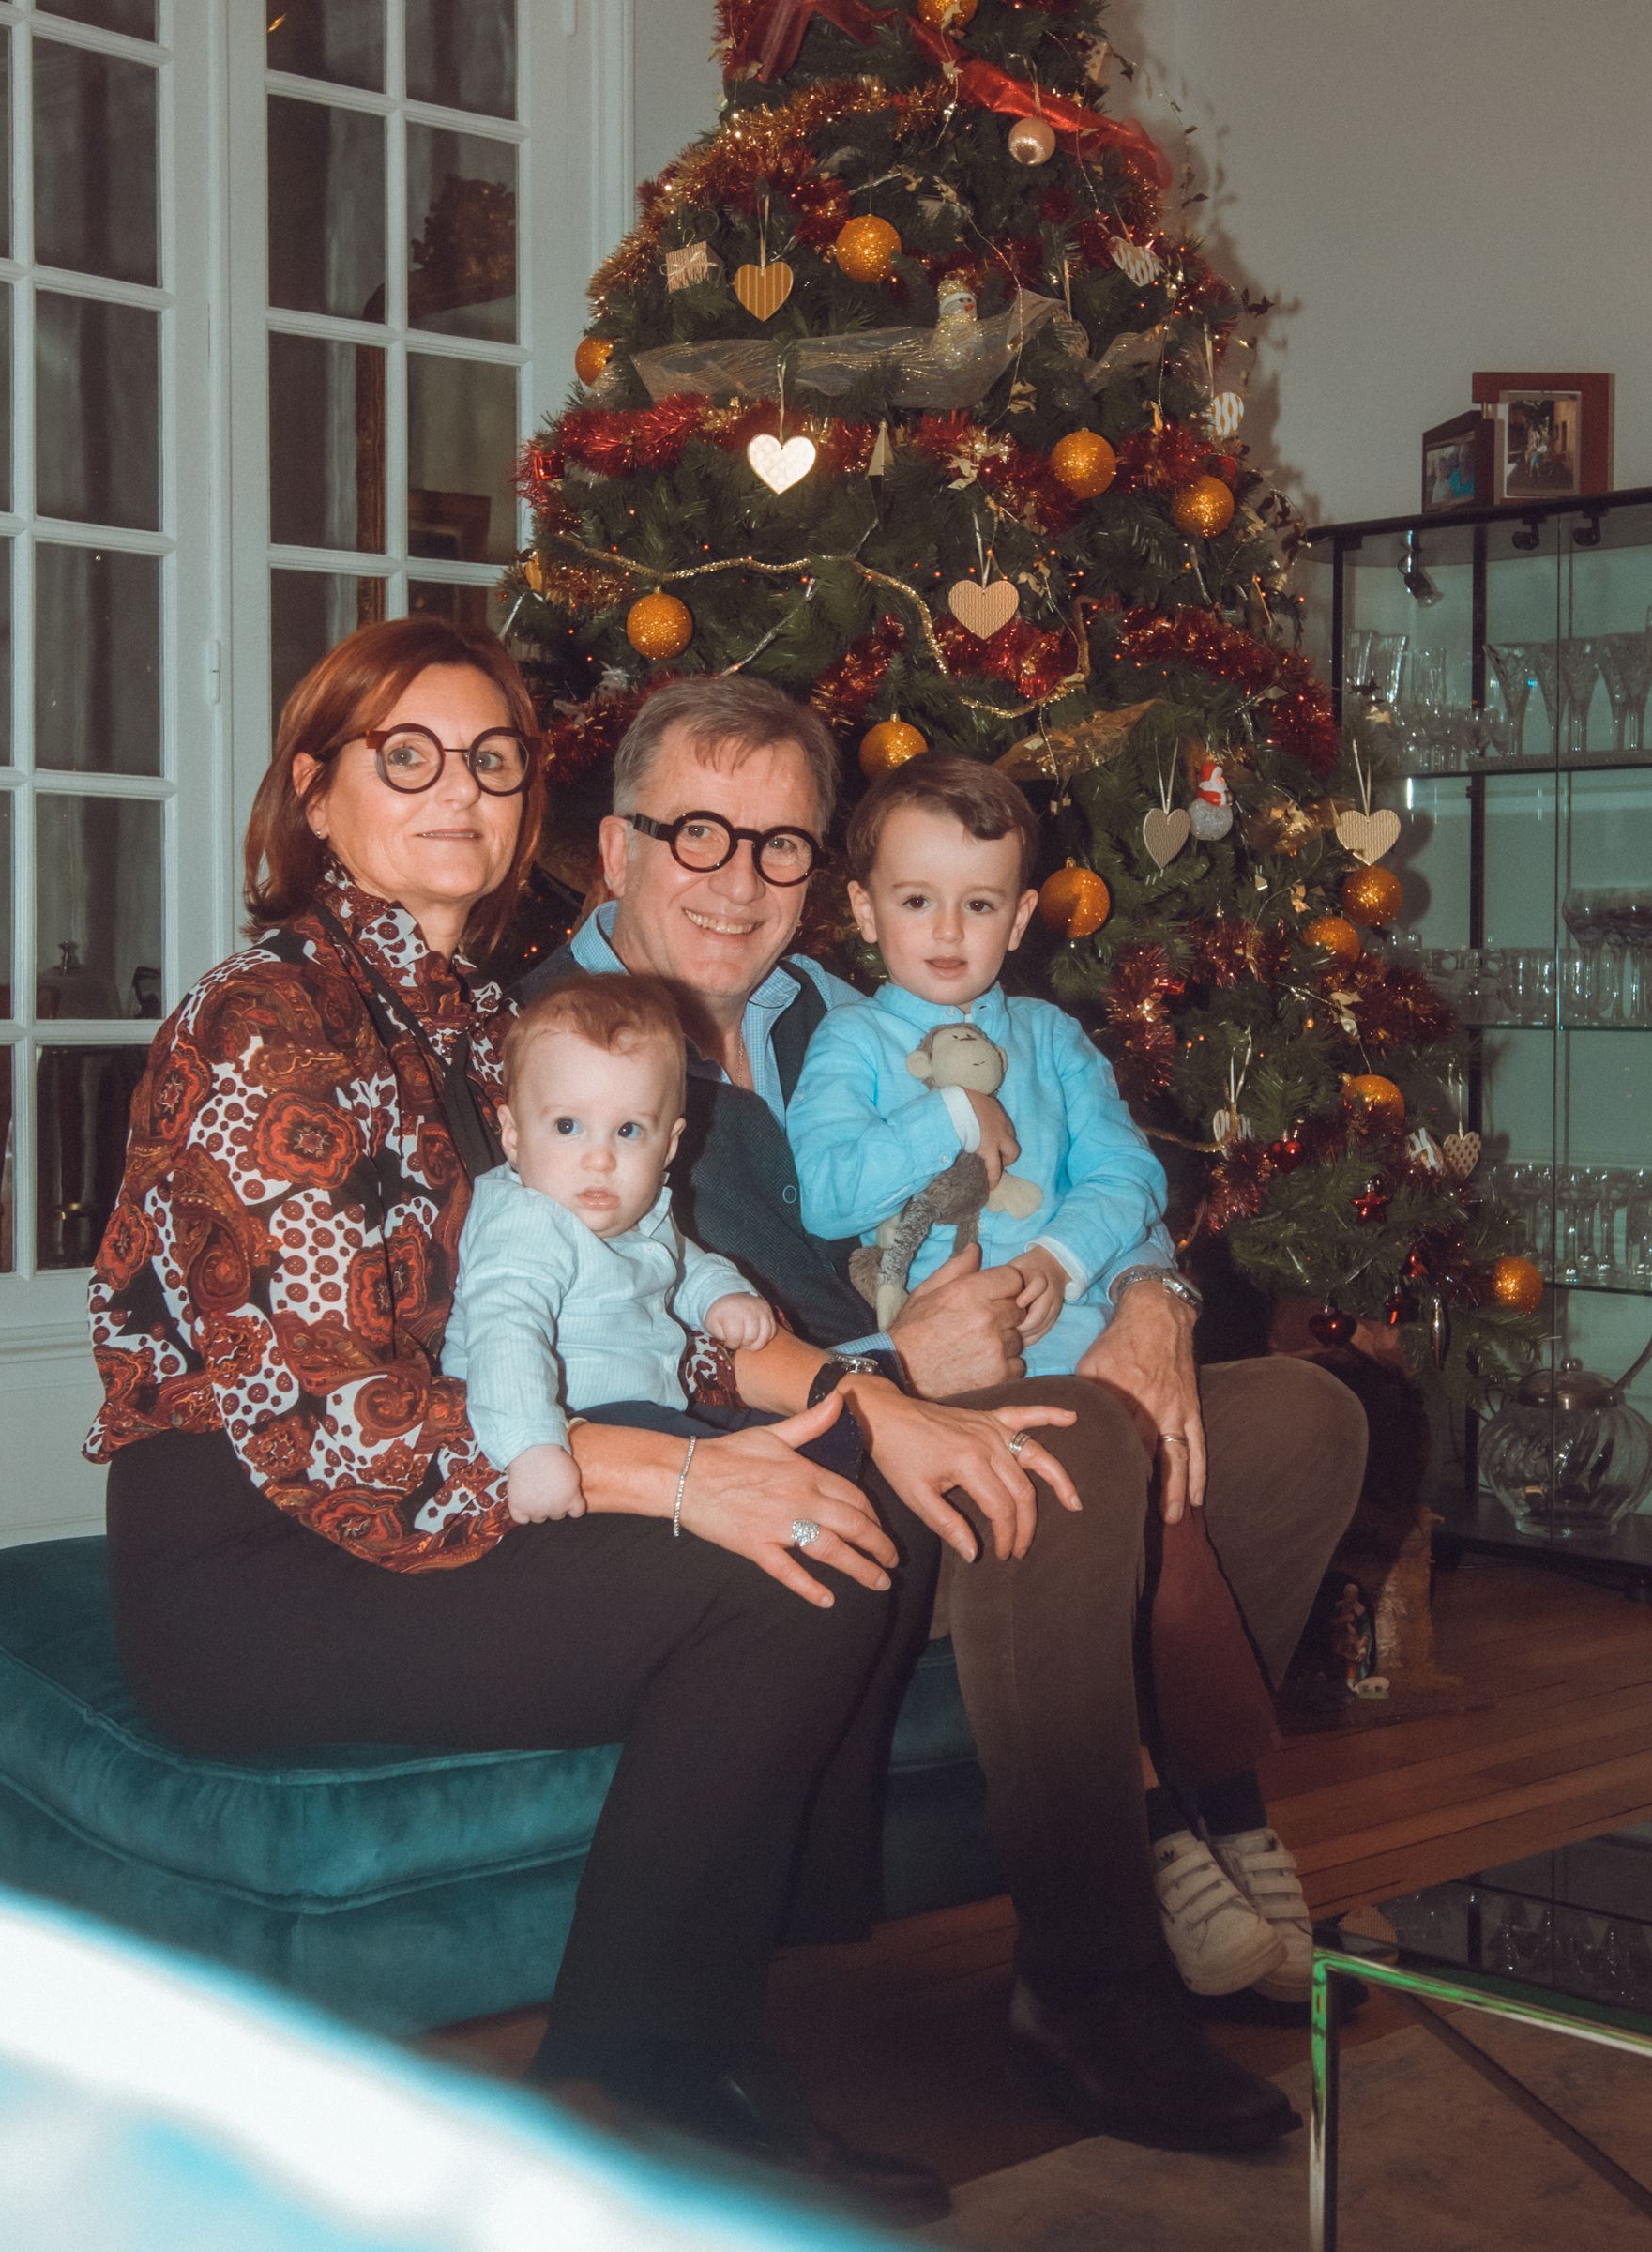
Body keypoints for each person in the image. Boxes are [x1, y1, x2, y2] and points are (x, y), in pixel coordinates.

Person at [84, 616, 1072, 2229]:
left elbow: (636, 1294)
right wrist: (687, 1484)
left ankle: (662, 2030)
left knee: (837, 1497)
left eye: (488, 761)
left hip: (445, 1481)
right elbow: (357, 1421)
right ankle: (653, 2062)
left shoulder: (488, 1027)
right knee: (775, 1554)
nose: (457, 792)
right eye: (405, 758)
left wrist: (857, 1401)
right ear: (316, 796)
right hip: (258, 1557)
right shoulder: (270, 1018)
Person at [523, 674, 1371, 2153]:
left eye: (780, 844)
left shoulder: (850, 1011)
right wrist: (898, 1372)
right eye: (697, 835)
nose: (739, 880)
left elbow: (1071, 1160)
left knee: (1303, 1421)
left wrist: (1158, 1304)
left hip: (996, 1377)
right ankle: (1096, 1977)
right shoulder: (559, 1053)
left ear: (826, 883)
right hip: (773, 1468)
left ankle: (1191, 1832)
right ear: (614, 851)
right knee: (1075, 1448)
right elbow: (641, 1338)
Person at [787, 753, 1306, 2004]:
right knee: (1099, 1472)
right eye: (917, 901)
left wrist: (1072, 1261)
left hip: (1089, 1354)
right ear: (862, 911)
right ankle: (1166, 1840)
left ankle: (1229, 1809)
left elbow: (1130, 1179)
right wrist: (957, 1117)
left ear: (1023, 916)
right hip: (961, 1388)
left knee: (1195, 1490)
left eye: (981, 903)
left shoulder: (1055, 1037)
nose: (949, 931)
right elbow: (827, 1188)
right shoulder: (851, 1048)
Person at [441, 974, 778, 1524]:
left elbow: (681, 1262)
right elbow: (506, 1331)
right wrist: (531, 1448)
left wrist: (721, 1294)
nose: (600, 1158)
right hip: (572, 1422)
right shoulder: (528, 1222)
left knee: (776, 1448)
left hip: (647, 1411)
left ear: (668, 1145)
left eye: (628, 1131)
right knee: (764, 1476)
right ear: (514, 1135)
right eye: (568, 1126)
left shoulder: (637, 1211)